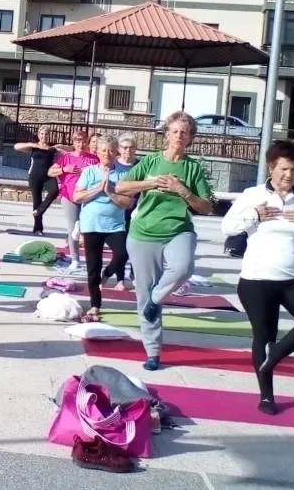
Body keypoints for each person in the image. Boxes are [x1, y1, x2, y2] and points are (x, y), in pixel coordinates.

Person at [221, 140, 294, 415]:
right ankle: (267, 396)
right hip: (257, 281)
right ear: (272, 167)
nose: (288, 175)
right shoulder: (251, 195)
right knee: (263, 335)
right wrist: (254, 214)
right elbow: (228, 226)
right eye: (283, 169)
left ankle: (276, 355)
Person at [115, 111, 214, 371]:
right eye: (175, 131)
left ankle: (157, 298)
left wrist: (182, 190)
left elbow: (206, 207)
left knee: (183, 268)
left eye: (185, 132)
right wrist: (148, 184)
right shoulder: (150, 162)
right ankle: (153, 352)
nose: (179, 136)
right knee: (142, 294)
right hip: (143, 233)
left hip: (178, 230)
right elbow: (121, 188)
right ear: (166, 135)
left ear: (191, 138)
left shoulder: (193, 168)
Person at [73, 135, 133, 320]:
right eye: (103, 150)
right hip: (91, 225)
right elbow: (77, 196)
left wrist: (110, 192)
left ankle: (107, 274)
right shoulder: (90, 172)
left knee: (123, 254)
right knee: (92, 267)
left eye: (111, 150)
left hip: (114, 225)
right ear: (97, 152)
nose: (107, 154)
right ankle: (95, 305)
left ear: (116, 152)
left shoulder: (123, 174)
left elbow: (128, 202)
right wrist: (98, 189)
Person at [47, 129, 99, 273]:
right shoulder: (67, 157)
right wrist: (65, 169)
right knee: (72, 229)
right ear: (73, 142)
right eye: (77, 141)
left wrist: (89, 172)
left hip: (87, 197)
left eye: (83, 141)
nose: (80, 144)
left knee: (86, 228)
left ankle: (91, 258)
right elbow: (50, 172)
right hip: (69, 196)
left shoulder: (94, 159)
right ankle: (75, 259)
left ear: (87, 143)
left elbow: (103, 173)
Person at [13, 126, 71, 236]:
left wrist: (60, 146)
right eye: (42, 134)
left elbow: (69, 152)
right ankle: (37, 229)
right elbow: (16, 147)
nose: (44, 136)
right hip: (34, 176)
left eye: (47, 134)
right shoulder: (33, 147)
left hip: (48, 176)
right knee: (37, 201)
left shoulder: (52, 149)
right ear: (39, 135)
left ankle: (39, 211)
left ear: (49, 136)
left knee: (54, 191)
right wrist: (31, 144)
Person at [116, 132, 140, 286]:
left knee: (135, 245)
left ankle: (134, 274)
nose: (127, 151)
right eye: (124, 147)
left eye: (131, 148)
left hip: (136, 210)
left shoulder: (140, 165)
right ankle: (120, 279)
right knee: (120, 247)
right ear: (119, 149)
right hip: (116, 210)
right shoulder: (113, 164)